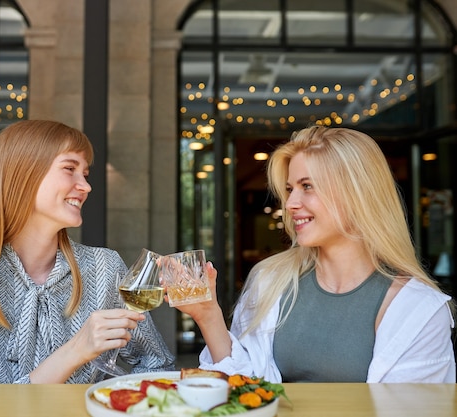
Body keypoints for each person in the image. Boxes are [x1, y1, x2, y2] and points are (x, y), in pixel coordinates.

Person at [173, 126, 456, 383]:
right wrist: (208, 315)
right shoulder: (270, 281)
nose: (291, 203)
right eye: (289, 189)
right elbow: (241, 387)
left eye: (307, 186)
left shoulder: (421, 310)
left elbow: (416, 409)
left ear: (358, 193)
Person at [0, 120, 174, 384]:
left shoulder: (105, 266)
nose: (85, 187)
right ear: (23, 174)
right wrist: (75, 351)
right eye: (69, 169)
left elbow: (158, 366)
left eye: (85, 174)